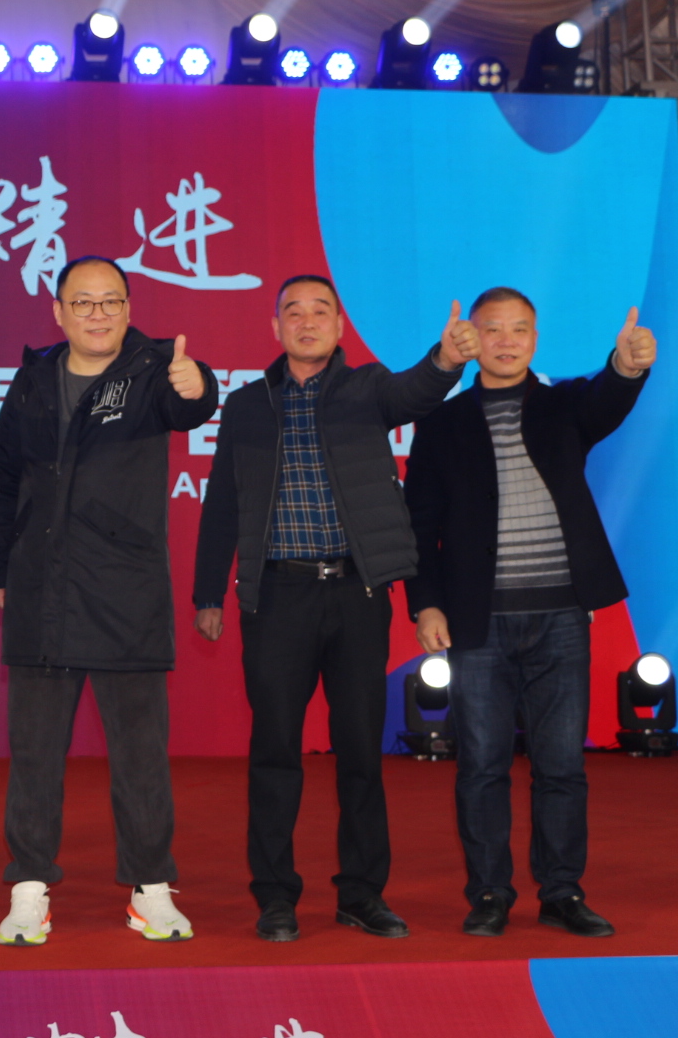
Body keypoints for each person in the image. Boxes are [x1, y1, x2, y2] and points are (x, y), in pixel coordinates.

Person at [193, 274, 477, 943]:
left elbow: (417, 391)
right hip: (277, 597)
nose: (307, 320)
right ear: (275, 328)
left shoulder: (368, 388)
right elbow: (223, 502)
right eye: (293, 311)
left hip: (358, 593)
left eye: (321, 310)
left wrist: (446, 358)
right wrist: (209, 592)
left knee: (359, 753)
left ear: (339, 326)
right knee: (274, 752)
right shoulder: (247, 405)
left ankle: (362, 894)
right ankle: (275, 897)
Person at [0, 255, 218, 947]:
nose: (97, 313)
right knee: (34, 755)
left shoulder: (152, 369)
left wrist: (198, 385)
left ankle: (150, 888)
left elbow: (189, 404)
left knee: (141, 756)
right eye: (82, 302)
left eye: (111, 300)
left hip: (125, 593)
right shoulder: (33, 379)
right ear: (58, 312)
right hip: (42, 590)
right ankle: (29, 887)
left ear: (128, 308)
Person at [404, 288, 654, 938]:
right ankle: (489, 893)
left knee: (562, 766)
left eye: (520, 330)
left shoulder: (563, 405)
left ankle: (562, 892)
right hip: (477, 622)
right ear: (472, 339)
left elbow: (607, 399)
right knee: (482, 766)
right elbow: (419, 523)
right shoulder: (442, 423)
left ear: (535, 340)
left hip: (561, 617)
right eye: (494, 329)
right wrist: (425, 604)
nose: (507, 341)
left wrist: (626, 366)